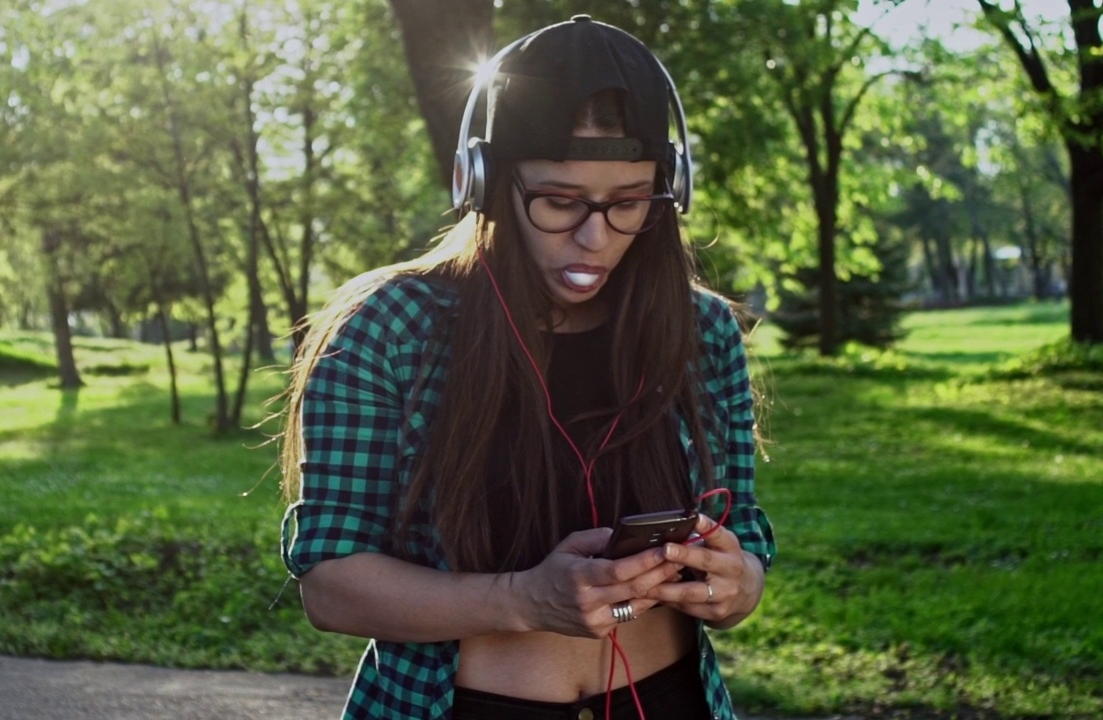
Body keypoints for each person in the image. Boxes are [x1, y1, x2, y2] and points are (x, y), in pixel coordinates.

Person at [280, 15, 776, 720]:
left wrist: (738, 583)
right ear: (484, 183)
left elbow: (746, 532)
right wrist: (523, 599)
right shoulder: (388, 329)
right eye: (558, 201)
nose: (595, 236)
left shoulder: (704, 330)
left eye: (630, 202)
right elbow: (328, 585)